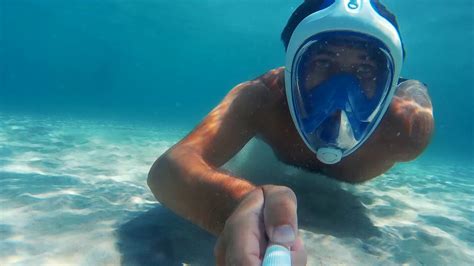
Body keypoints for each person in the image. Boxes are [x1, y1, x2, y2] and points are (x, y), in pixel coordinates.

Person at [147, 0, 434, 265]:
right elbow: (168, 168)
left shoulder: (406, 129)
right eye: (323, 62)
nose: (341, 93)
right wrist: (237, 204)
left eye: (366, 69)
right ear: (291, 68)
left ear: (389, 80)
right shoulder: (264, 98)